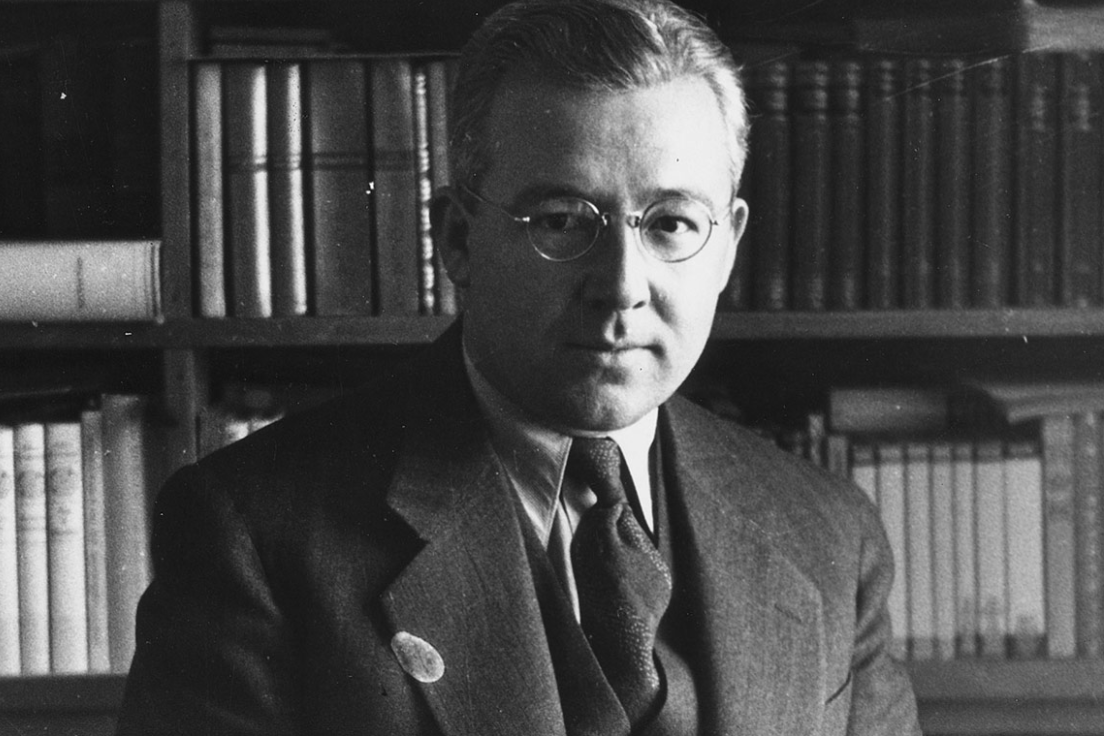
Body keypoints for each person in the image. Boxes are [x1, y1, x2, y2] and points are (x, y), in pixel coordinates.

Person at [117, 0, 921, 734]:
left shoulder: (828, 534)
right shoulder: (253, 536)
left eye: (672, 223)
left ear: (728, 247)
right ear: (457, 240)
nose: (622, 286)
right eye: (563, 220)